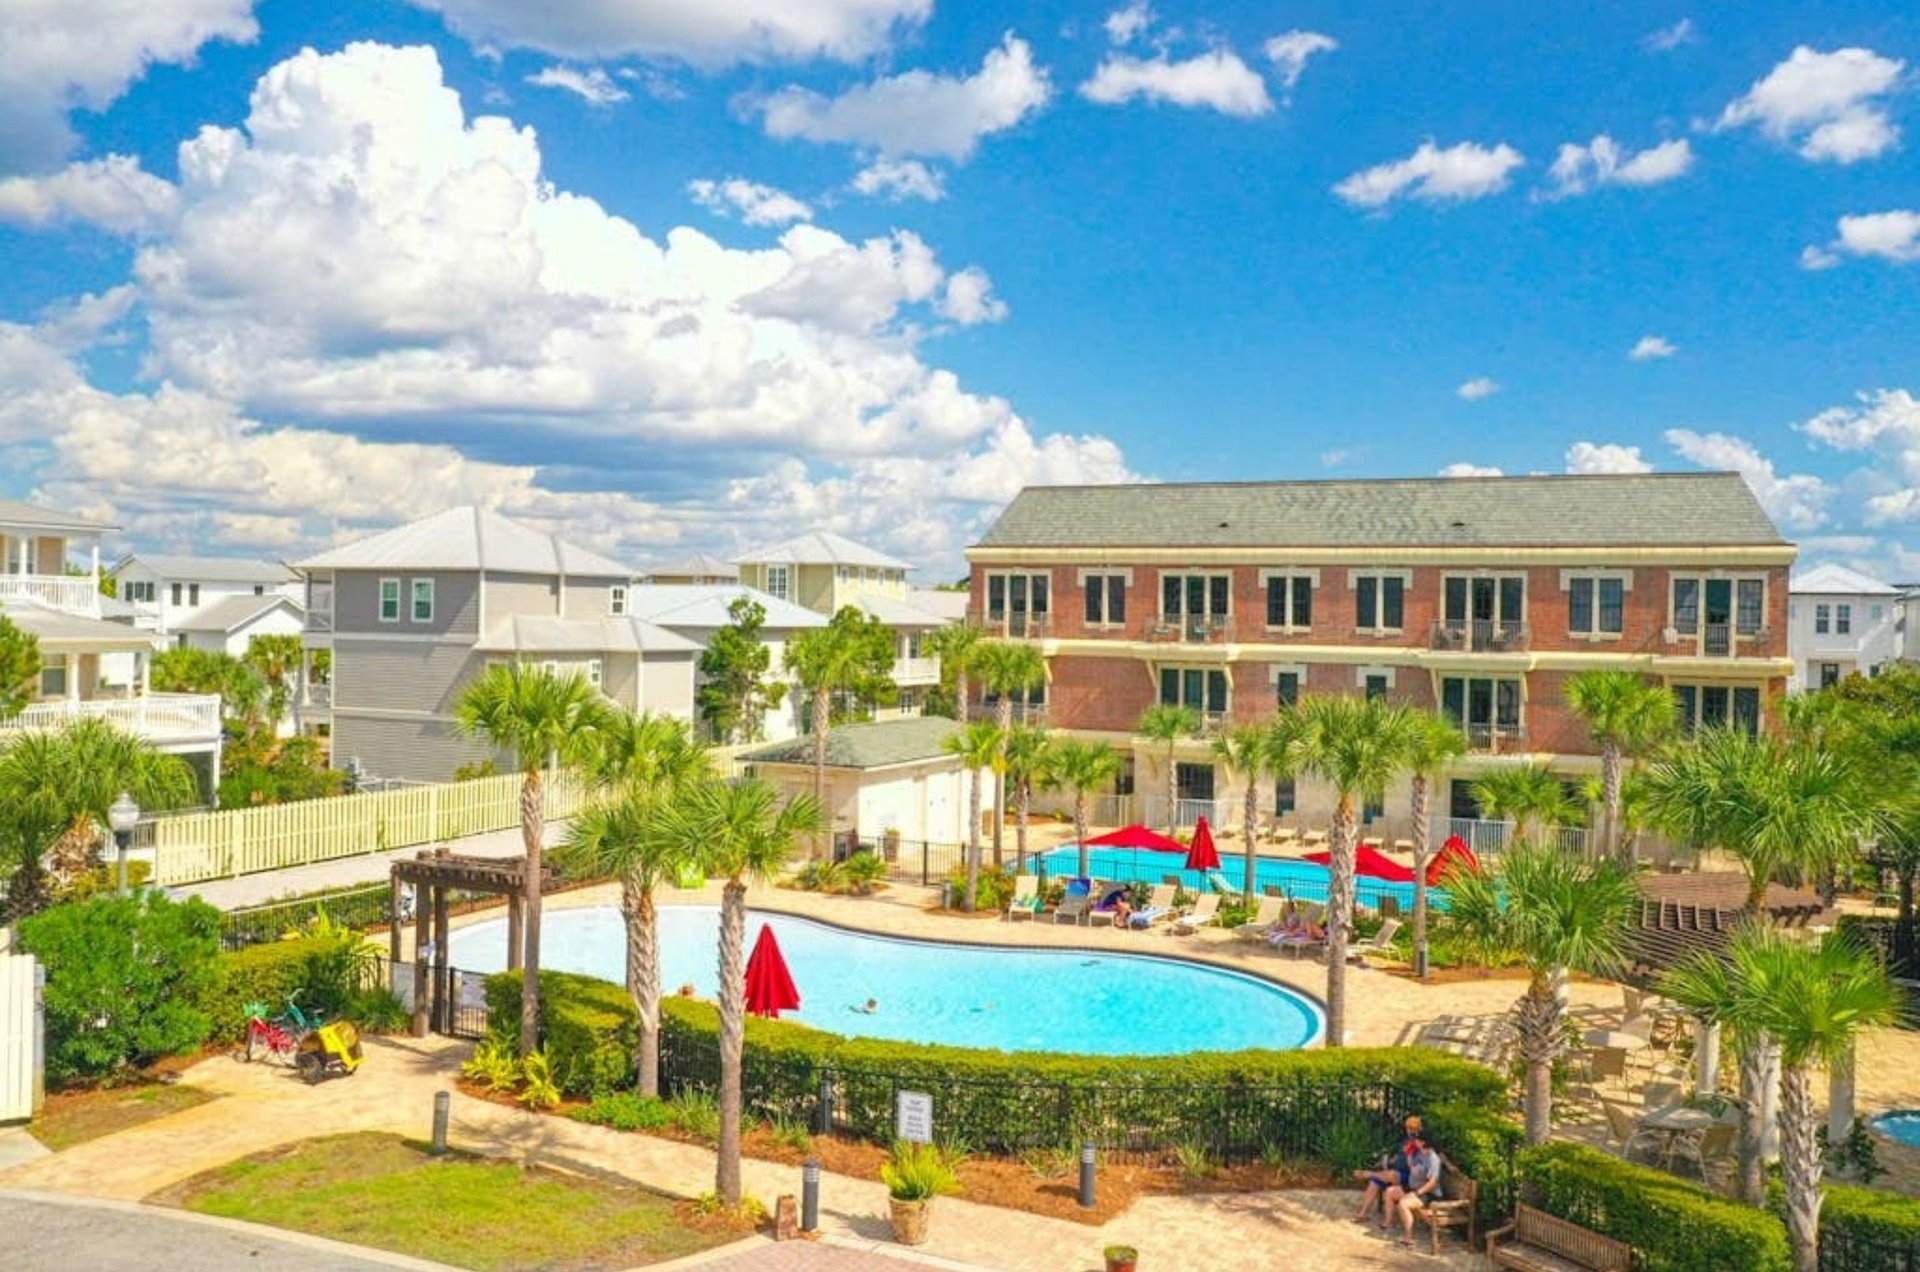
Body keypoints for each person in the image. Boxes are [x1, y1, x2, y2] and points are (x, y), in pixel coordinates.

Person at [1351, 1115, 1423, 1225]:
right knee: (1374, 1182)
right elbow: (1397, 1156)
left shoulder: (1422, 1142)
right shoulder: (1405, 1141)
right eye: (1408, 1128)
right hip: (1394, 1173)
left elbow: (1438, 1154)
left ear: (1419, 1129)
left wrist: (1449, 1165)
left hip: (1409, 1177)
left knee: (1391, 1174)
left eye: (1413, 1129)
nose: (1410, 1131)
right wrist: (1386, 1162)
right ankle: (1362, 1213)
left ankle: (1368, 1174)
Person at [1384, 1135, 1444, 1244]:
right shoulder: (1419, 1153)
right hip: (1412, 1188)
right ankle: (1388, 1223)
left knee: (1403, 1204)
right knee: (1389, 1192)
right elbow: (1411, 1166)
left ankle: (1409, 1237)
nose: (1414, 1141)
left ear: (1423, 1142)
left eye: (1417, 1140)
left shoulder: (1433, 1159)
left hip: (1427, 1194)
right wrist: (1409, 1153)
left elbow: (1432, 1182)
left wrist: (1417, 1193)